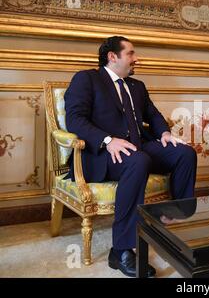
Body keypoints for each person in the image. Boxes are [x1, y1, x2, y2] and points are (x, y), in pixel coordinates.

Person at [64, 36, 197, 277]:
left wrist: (165, 133)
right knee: (139, 160)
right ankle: (122, 250)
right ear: (112, 57)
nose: (137, 59)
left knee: (184, 153)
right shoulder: (87, 79)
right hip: (103, 154)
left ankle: (173, 219)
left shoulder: (137, 86)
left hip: (139, 147)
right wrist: (108, 140)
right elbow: (74, 119)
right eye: (131, 54)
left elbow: (154, 115)